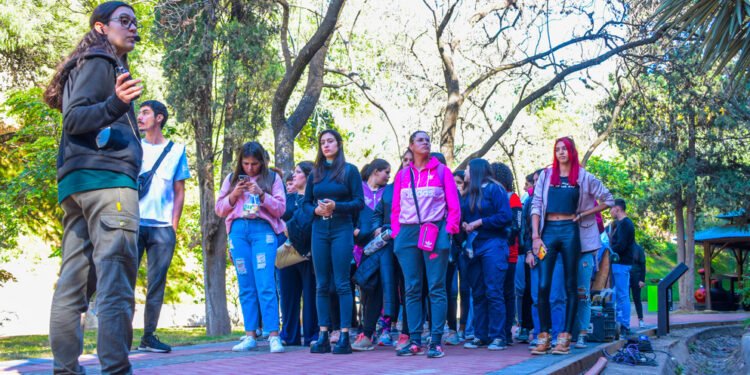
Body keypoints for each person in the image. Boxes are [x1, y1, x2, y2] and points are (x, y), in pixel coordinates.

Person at [46, 2, 143, 373]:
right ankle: (116, 369)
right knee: (115, 282)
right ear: (101, 28)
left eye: (135, 22)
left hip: (77, 186)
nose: (132, 28)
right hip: (107, 186)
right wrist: (117, 104)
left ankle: (65, 370)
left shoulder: (89, 62)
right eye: (124, 21)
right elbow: (75, 119)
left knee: (72, 286)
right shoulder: (100, 61)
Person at [530, 137, 614, 355]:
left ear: (571, 152)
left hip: (571, 231)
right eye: (557, 149)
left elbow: (608, 199)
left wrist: (585, 214)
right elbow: (536, 204)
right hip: (548, 231)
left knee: (570, 285)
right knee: (543, 285)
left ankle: (565, 337)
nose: (561, 153)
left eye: (564, 149)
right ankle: (544, 335)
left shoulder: (583, 176)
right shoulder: (547, 175)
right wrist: (535, 236)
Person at [391, 130, 461, 359]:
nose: (426, 143)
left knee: (436, 287)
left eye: (428, 140)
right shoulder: (402, 175)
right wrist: (398, 234)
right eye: (420, 140)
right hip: (408, 233)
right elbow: (395, 208)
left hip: (434, 231)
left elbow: (454, 207)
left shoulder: (442, 172)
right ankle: (414, 340)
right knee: (411, 288)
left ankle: (437, 341)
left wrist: (448, 231)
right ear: (411, 145)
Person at [215, 142, 287, 353]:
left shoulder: (273, 179)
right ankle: (250, 335)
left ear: (262, 162)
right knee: (245, 284)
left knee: (265, 283)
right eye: (245, 164)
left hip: (262, 232)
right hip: (238, 233)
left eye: (254, 164)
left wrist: (262, 195)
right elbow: (220, 209)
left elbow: (281, 208)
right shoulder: (231, 179)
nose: (250, 168)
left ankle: (273, 335)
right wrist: (234, 195)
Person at [134, 100, 190, 353]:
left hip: (162, 228)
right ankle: (120, 337)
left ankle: (148, 337)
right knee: (124, 280)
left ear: (159, 118)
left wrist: (173, 226)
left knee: (157, 283)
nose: (139, 116)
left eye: (145, 112)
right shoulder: (133, 146)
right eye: (139, 112)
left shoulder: (177, 150)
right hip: (132, 224)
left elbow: (180, 191)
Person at [307, 130, 365, 355]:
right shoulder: (315, 173)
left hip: (342, 228)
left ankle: (343, 335)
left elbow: (359, 202)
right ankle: (322, 334)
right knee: (321, 284)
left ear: (339, 144)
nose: (326, 145)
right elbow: (305, 204)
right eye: (322, 142)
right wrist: (316, 209)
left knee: (341, 283)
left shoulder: (350, 171)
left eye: (330, 141)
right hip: (319, 229)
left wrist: (336, 206)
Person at [461, 159, 512, 351]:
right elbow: (463, 217)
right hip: (473, 246)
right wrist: (465, 224)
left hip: (493, 244)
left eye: (466, 169)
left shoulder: (494, 189)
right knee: (478, 292)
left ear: (475, 171)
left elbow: (505, 216)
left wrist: (480, 222)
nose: (464, 172)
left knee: (494, 291)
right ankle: (480, 335)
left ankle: (498, 336)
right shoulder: (468, 193)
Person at [352, 159, 394, 351]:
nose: (388, 176)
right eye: (386, 172)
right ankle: (366, 329)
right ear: (375, 171)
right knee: (367, 287)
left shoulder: (389, 191)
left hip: (384, 245)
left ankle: (384, 328)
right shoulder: (358, 189)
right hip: (361, 247)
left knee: (385, 287)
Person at [279, 161, 318, 347]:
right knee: (288, 294)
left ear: (309, 176)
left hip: (309, 251)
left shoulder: (315, 199)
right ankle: (289, 335)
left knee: (310, 293)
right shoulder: (288, 198)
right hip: (287, 251)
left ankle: (312, 335)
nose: (294, 175)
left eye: (298, 172)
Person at [492, 162, 522, 346]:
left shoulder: (513, 198)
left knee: (507, 293)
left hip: (509, 253)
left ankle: (506, 333)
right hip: (496, 252)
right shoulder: (493, 196)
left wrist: (505, 242)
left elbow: (516, 226)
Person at [609, 198, 635, 335]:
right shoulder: (619, 224)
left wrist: (610, 250)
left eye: (611, 209)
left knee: (622, 295)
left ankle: (624, 324)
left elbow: (621, 245)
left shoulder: (626, 224)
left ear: (617, 209)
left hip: (622, 263)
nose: (610, 212)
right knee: (618, 294)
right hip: (618, 264)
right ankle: (620, 323)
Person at [630, 240, 646, 329]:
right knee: (625, 298)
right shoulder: (625, 247)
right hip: (626, 275)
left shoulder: (638, 249)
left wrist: (641, 280)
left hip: (636, 276)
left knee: (637, 298)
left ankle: (641, 319)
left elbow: (643, 265)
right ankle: (625, 320)